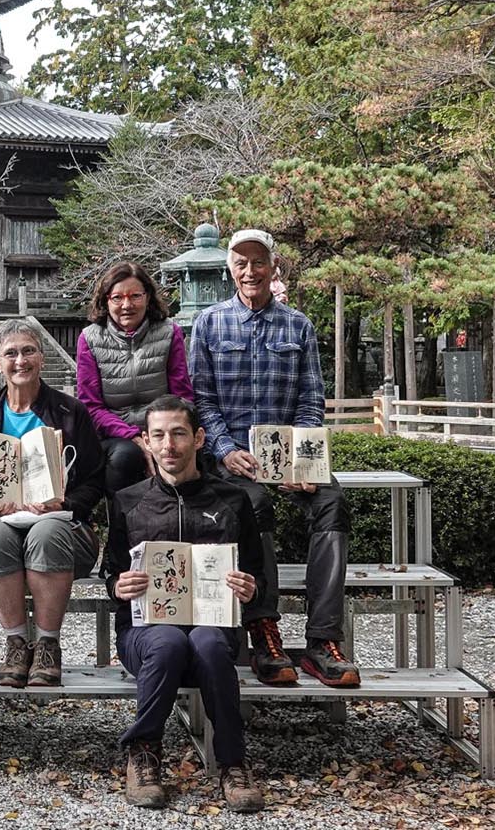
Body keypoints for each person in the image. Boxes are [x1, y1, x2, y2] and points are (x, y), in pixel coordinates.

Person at [190, 228, 360, 688]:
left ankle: (323, 639)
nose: (250, 271)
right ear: (230, 269)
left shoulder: (298, 325)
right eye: (241, 263)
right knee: (253, 505)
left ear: (273, 267)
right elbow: (200, 400)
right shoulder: (209, 324)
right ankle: (263, 627)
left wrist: (301, 465)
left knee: (332, 503)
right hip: (234, 461)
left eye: (258, 262)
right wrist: (225, 450)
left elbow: (310, 401)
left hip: (287, 456)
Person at [104, 396, 264, 813]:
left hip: (216, 627)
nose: (169, 445)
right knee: (168, 643)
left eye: (178, 433)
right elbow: (111, 574)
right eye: (158, 435)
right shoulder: (127, 501)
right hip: (146, 633)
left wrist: (250, 588)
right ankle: (144, 754)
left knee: (209, 645)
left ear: (199, 438)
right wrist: (118, 585)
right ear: (146, 442)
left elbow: (259, 575)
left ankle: (233, 763)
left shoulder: (232, 500)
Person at [0, 319, 104, 688]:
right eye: (11, 353)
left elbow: (94, 479)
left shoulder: (71, 412)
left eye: (28, 350)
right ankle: (15, 643)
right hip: (5, 525)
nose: (20, 360)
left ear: (41, 356)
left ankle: (46, 645)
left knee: (47, 530)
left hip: (61, 526)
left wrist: (66, 502)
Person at [75, 260, 193, 496]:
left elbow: (182, 396)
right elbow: (91, 406)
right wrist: (134, 437)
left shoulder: (169, 332)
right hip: (116, 433)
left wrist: (162, 436)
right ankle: (121, 528)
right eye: (117, 298)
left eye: (135, 296)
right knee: (126, 456)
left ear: (147, 297)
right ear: (106, 300)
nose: (126, 305)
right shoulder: (90, 339)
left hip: (162, 426)